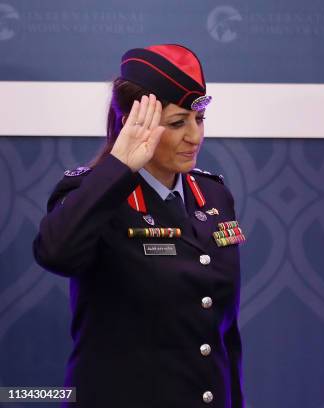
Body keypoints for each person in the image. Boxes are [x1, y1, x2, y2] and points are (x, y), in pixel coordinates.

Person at [33, 44, 245, 407]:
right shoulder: (94, 194)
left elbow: (224, 338)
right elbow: (55, 253)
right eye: (178, 123)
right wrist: (119, 166)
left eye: (200, 119)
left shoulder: (214, 195)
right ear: (134, 124)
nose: (194, 137)